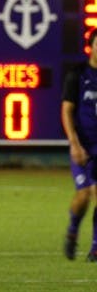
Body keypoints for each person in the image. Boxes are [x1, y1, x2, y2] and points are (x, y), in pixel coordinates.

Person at [60, 27, 97, 261]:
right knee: (83, 195)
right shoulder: (78, 75)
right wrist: (74, 143)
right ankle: (73, 231)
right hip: (84, 147)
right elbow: (67, 110)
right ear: (90, 47)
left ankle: (95, 247)